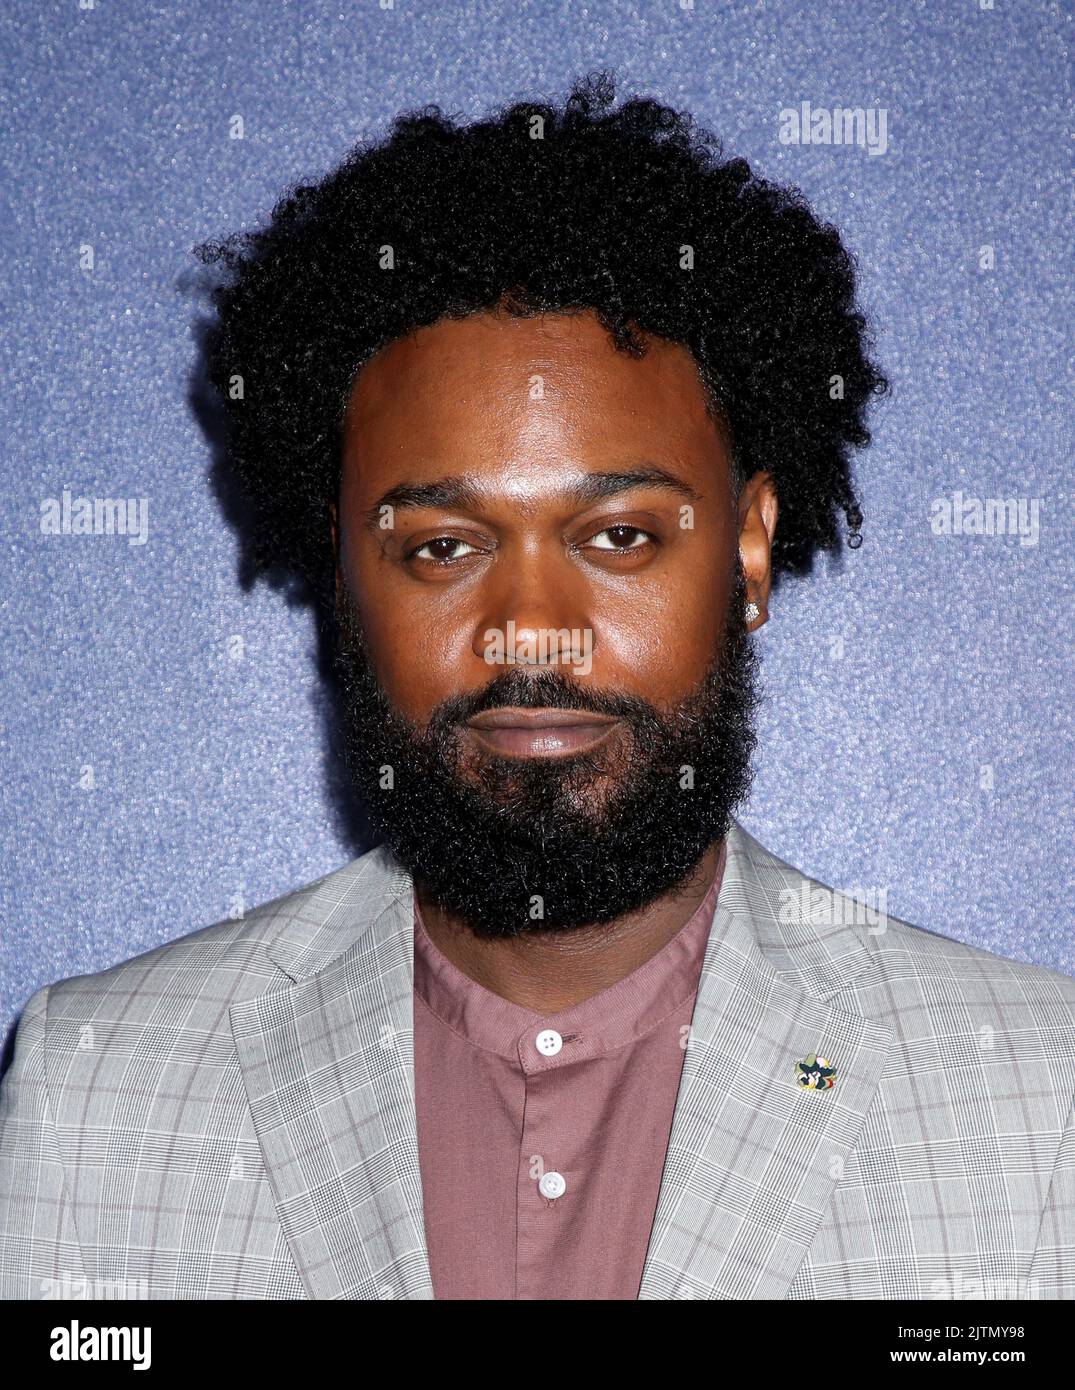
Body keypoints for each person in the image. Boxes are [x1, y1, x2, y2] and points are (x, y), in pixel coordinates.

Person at [1, 73, 1071, 1301]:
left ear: (749, 548)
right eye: (441, 547)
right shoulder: (98, 1089)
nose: (533, 630)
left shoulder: (1038, 1097)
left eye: (618, 536)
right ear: (342, 571)